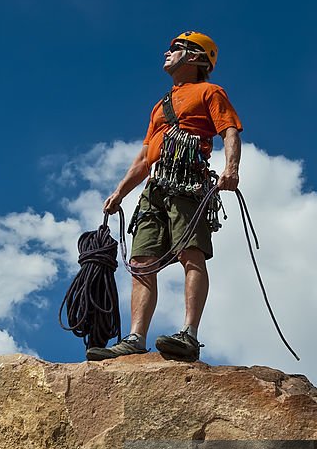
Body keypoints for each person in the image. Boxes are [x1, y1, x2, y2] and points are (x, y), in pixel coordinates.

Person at [86, 30, 243, 363]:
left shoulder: (210, 92)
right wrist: (119, 193)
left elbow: (229, 130)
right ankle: (135, 337)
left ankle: (189, 334)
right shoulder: (160, 106)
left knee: (191, 253)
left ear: (197, 58)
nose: (167, 52)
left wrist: (231, 168)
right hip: (156, 186)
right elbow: (145, 158)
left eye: (177, 48)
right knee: (141, 261)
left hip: (188, 183)